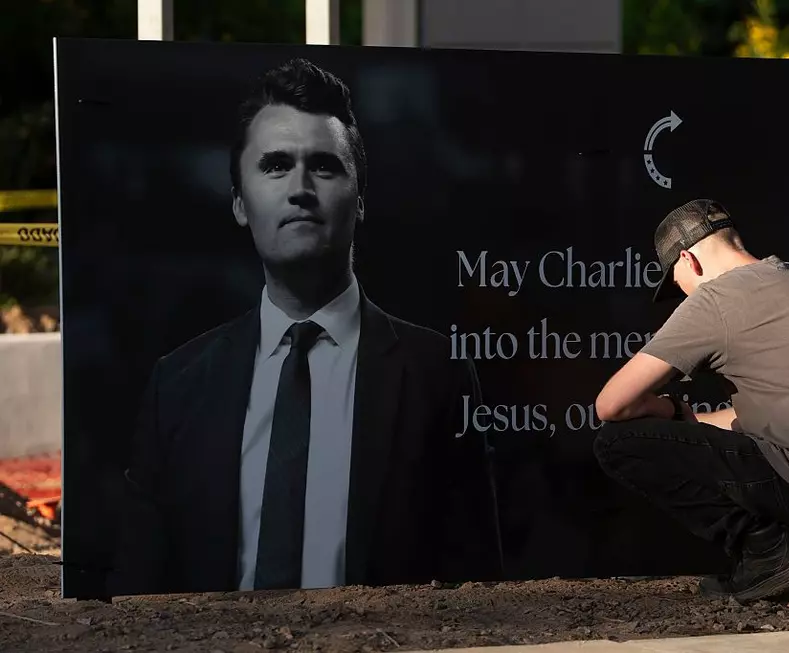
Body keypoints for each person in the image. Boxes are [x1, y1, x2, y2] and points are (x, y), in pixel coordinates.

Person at [108, 58, 503, 596]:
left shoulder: (438, 375)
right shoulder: (176, 386)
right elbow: (137, 592)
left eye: (323, 165)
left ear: (359, 199)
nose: (299, 188)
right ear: (240, 203)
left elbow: (476, 588)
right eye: (274, 165)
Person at [592, 199, 789, 606]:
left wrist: (668, 412)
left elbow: (611, 405)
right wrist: (692, 421)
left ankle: (766, 552)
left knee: (618, 442)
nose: (681, 293)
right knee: (777, 458)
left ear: (689, 259)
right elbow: (767, 413)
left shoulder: (715, 299)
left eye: (677, 281)